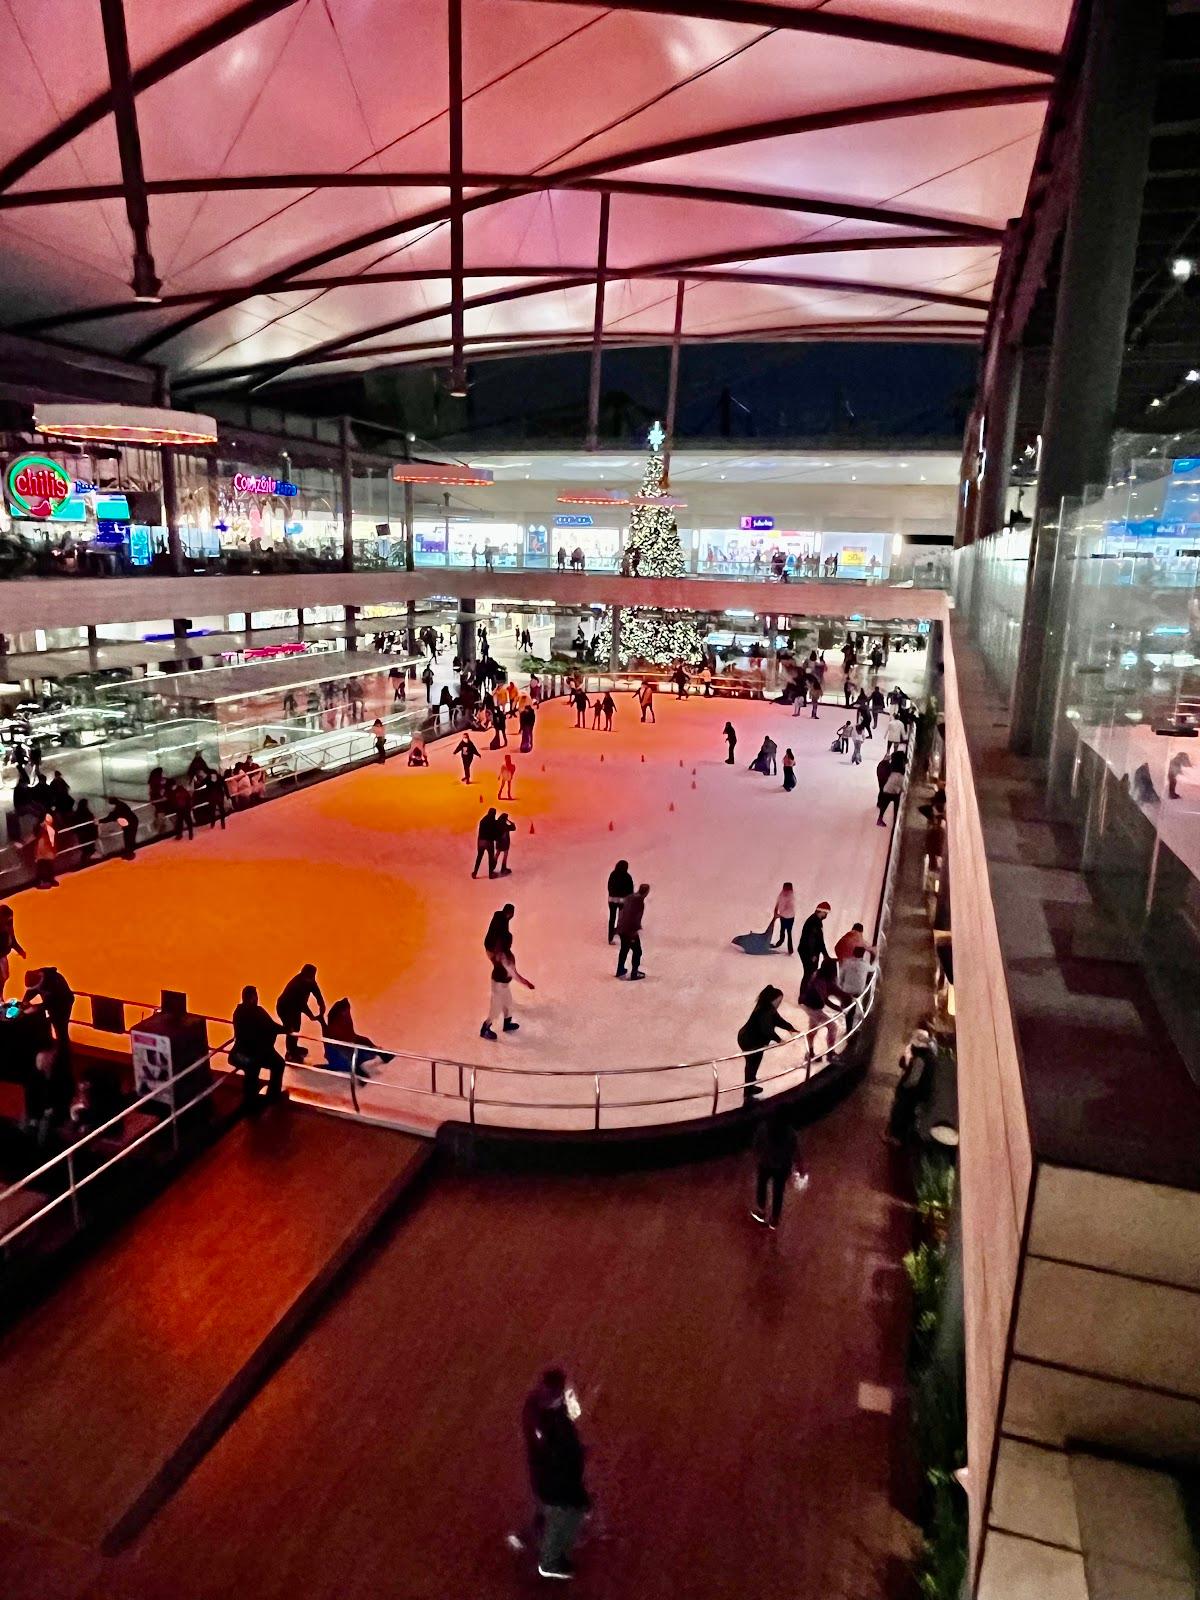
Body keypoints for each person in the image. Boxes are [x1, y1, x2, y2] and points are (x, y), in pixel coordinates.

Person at [518, 1368, 591, 1581]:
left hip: (548, 1475)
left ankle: (540, 1527)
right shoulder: (548, 1423)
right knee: (567, 1513)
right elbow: (559, 1454)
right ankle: (551, 1562)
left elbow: (572, 1417)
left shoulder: (534, 1407)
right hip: (555, 1479)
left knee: (551, 1506)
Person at [481, 904, 534, 1040]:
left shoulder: (507, 956)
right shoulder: (505, 958)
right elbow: (514, 974)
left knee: (508, 1004)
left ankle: (507, 1023)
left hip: (504, 985)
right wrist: (526, 983)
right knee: (495, 1009)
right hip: (498, 985)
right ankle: (485, 1028)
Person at [737, 986, 797, 1102]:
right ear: (773, 999)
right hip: (750, 1041)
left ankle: (750, 1087)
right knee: (752, 1064)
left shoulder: (769, 1008)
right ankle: (748, 1092)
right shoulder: (764, 1011)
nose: (779, 1003)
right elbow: (766, 1029)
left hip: (750, 1039)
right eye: (779, 1000)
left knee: (753, 1064)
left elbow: (778, 1020)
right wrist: (779, 1040)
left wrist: (790, 1028)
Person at [231, 985, 286, 1109]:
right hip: (252, 1052)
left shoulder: (238, 1012)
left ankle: (251, 1099)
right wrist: (286, 1029)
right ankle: (270, 1095)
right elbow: (272, 1027)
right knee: (277, 1064)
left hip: (240, 1052)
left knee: (253, 1067)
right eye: (256, 996)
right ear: (252, 997)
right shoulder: (257, 1011)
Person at [886, 1027, 937, 1145]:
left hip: (911, 1095)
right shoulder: (930, 1057)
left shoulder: (920, 1059)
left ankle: (896, 1138)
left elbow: (912, 1080)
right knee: (909, 1117)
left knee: (902, 1114)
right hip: (920, 1095)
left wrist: (902, 1087)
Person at [324, 997, 391, 1078]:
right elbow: (340, 1047)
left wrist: (374, 1048)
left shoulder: (344, 1021)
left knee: (363, 1042)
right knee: (347, 1060)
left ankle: (380, 1055)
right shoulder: (334, 1028)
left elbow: (353, 1037)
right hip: (339, 1055)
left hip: (348, 1048)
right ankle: (357, 1071)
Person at [276, 963, 325, 1063]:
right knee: (291, 1028)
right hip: (284, 1007)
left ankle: (293, 1048)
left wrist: (322, 1007)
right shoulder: (297, 984)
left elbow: (318, 995)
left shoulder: (311, 982)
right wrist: (311, 1015)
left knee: (297, 1027)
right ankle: (290, 1053)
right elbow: (301, 1004)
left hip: (295, 1008)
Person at [615, 882, 649, 979]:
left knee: (624, 949)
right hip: (629, 930)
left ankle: (620, 970)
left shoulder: (630, 897)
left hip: (622, 928)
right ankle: (634, 973)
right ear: (646, 892)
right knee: (637, 951)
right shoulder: (639, 902)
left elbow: (622, 911)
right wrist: (634, 931)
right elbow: (634, 917)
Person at [798, 901, 830, 996]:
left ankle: (805, 994)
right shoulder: (814, 922)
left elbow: (819, 940)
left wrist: (825, 954)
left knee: (810, 973)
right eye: (825, 913)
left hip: (808, 952)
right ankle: (803, 996)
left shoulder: (816, 921)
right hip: (808, 952)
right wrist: (813, 955)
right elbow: (811, 940)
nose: (826, 915)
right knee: (809, 973)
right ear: (821, 911)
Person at [0, 903, 26, 998]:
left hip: (2, 956)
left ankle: (0, 997)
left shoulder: (7, 925)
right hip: (1, 956)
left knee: (4, 977)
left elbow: (12, 938)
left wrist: (19, 950)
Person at [606, 858, 633, 945]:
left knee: (612, 918)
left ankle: (610, 938)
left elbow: (609, 886)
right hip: (622, 901)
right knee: (621, 918)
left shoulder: (613, 874)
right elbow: (630, 890)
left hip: (612, 900)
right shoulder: (627, 877)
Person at [32, 811, 57, 889]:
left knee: (49, 865)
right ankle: (42, 880)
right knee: (42, 865)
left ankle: (50, 879)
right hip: (42, 848)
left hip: (47, 848)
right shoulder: (40, 827)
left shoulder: (49, 827)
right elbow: (34, 835)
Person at [473, 808, 499, 879]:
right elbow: (495, 833)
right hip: (489, 842)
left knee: (479, 857)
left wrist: (479, 843)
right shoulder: (493, 822)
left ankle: (475, 873)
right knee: (490, 858)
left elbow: (480, 832)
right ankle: (490, 874)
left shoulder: (483, 820)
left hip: (481, 841)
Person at [72, 798, 99, 865]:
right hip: (88, 833)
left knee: (86, 849)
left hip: (83, 834)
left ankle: (85, 862)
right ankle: (87, 862)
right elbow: (92, 823)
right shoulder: (87, 813)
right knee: (89, 848)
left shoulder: (77, 814)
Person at [771, 882, 795, 952]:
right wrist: (775, 910)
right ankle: (780, 942)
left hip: (790, 917)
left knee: (789, 932)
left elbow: (789, 909)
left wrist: (779, 915)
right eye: (785, 888)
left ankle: (790, 948)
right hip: (783, 917)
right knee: (782, 930)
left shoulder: (791, 897)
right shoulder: (781, 894)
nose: (785, 890)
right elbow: (778, 902)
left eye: (787, 889)